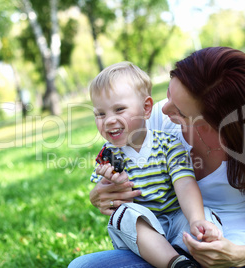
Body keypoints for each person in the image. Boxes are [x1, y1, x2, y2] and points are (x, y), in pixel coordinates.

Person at [69, 47, 245, 268]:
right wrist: (101, 194)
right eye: (168, 95)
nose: (164, 109)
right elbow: (117, 150)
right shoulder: (157, 117)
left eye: (180, 112)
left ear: (218, 122)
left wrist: (239, 255)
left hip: (227, 250)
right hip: (161, 243)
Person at [87, 61, 223, 268]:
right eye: (100, 114)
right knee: (124, 214)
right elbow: (104, 197)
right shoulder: (108, 156)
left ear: (146, 108)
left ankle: (192, 252)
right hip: (143, 234)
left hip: (176, 220)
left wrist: (196, 220)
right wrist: (112, 185)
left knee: (206, 217)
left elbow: (185, 184)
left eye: (119, 109)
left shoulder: (168, 144)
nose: (108, 121)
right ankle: (176, 263)